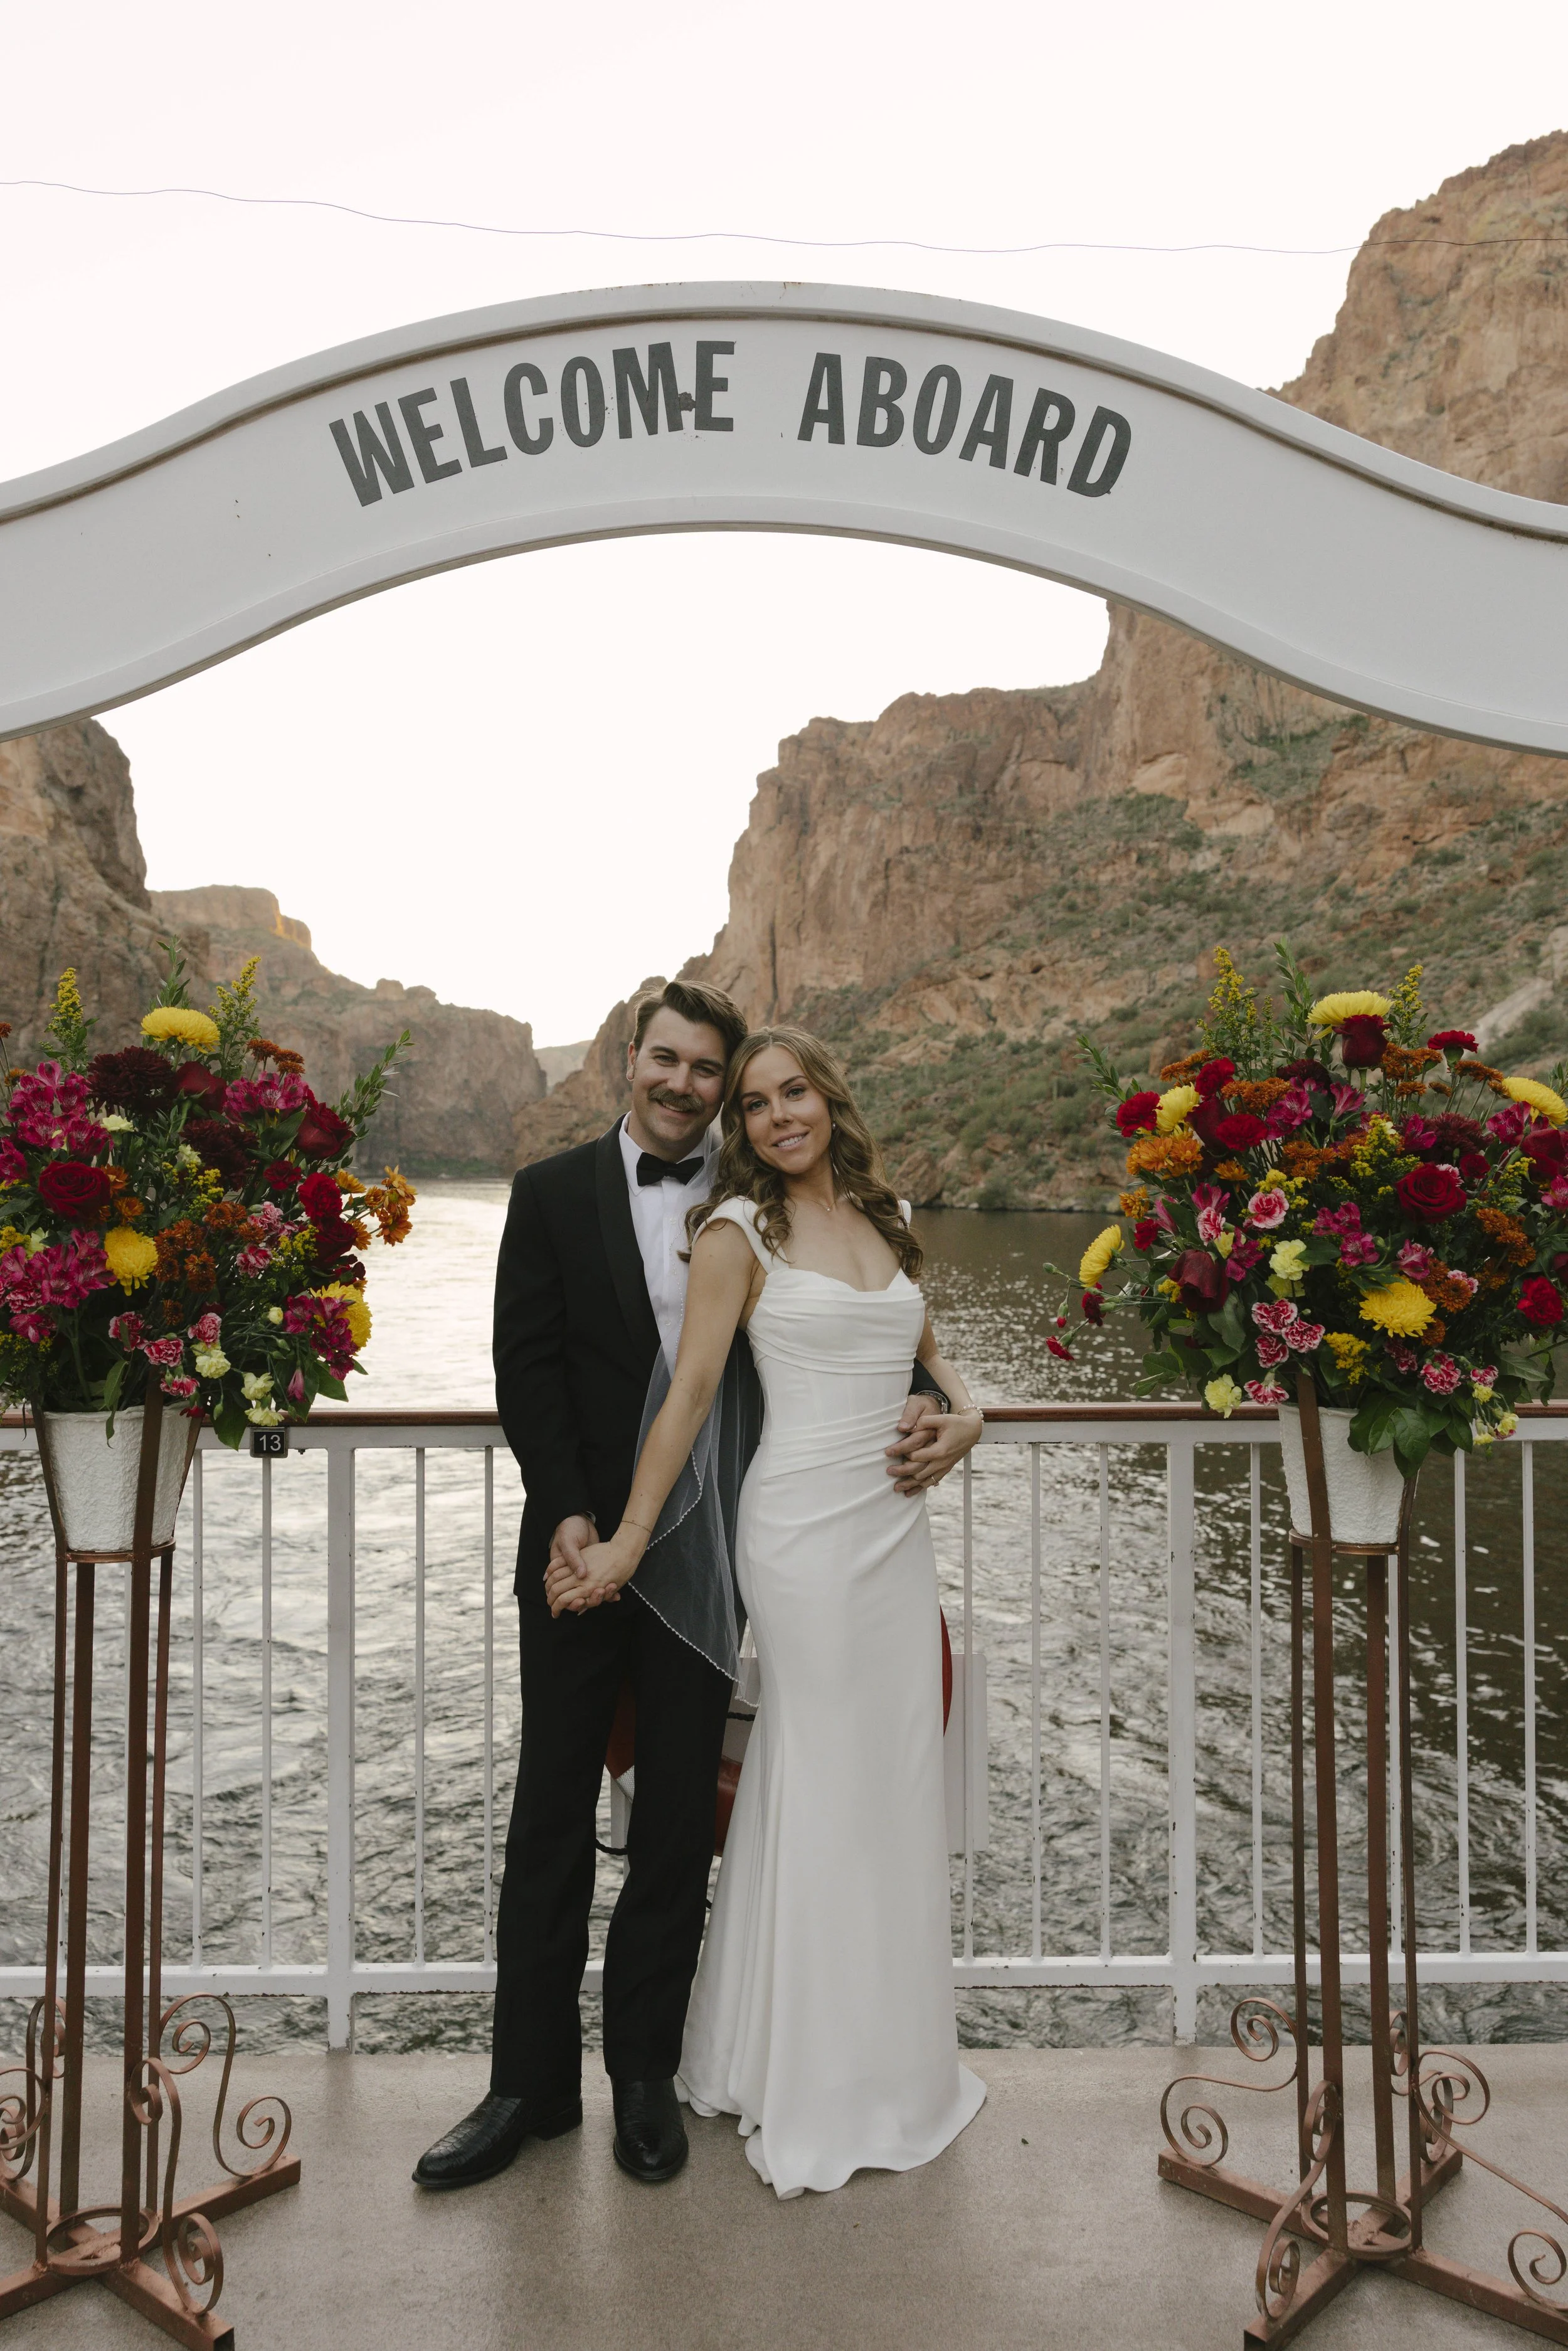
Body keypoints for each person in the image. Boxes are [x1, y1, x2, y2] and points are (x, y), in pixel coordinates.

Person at [413, 983, 972, 2192]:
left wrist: (950, 1411)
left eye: (708, 1071)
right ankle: (524, 2090)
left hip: (718, 1552)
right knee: (550, 1814)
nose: (684, 1084)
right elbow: (528, 1371)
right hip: (580, 1549)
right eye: (667, 1060)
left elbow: (856, 1353)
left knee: (674, 1820)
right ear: (631, 1059)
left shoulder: (754, 1210)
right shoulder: (549, 1192)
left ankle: (644, 2079)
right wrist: (580, 1520)